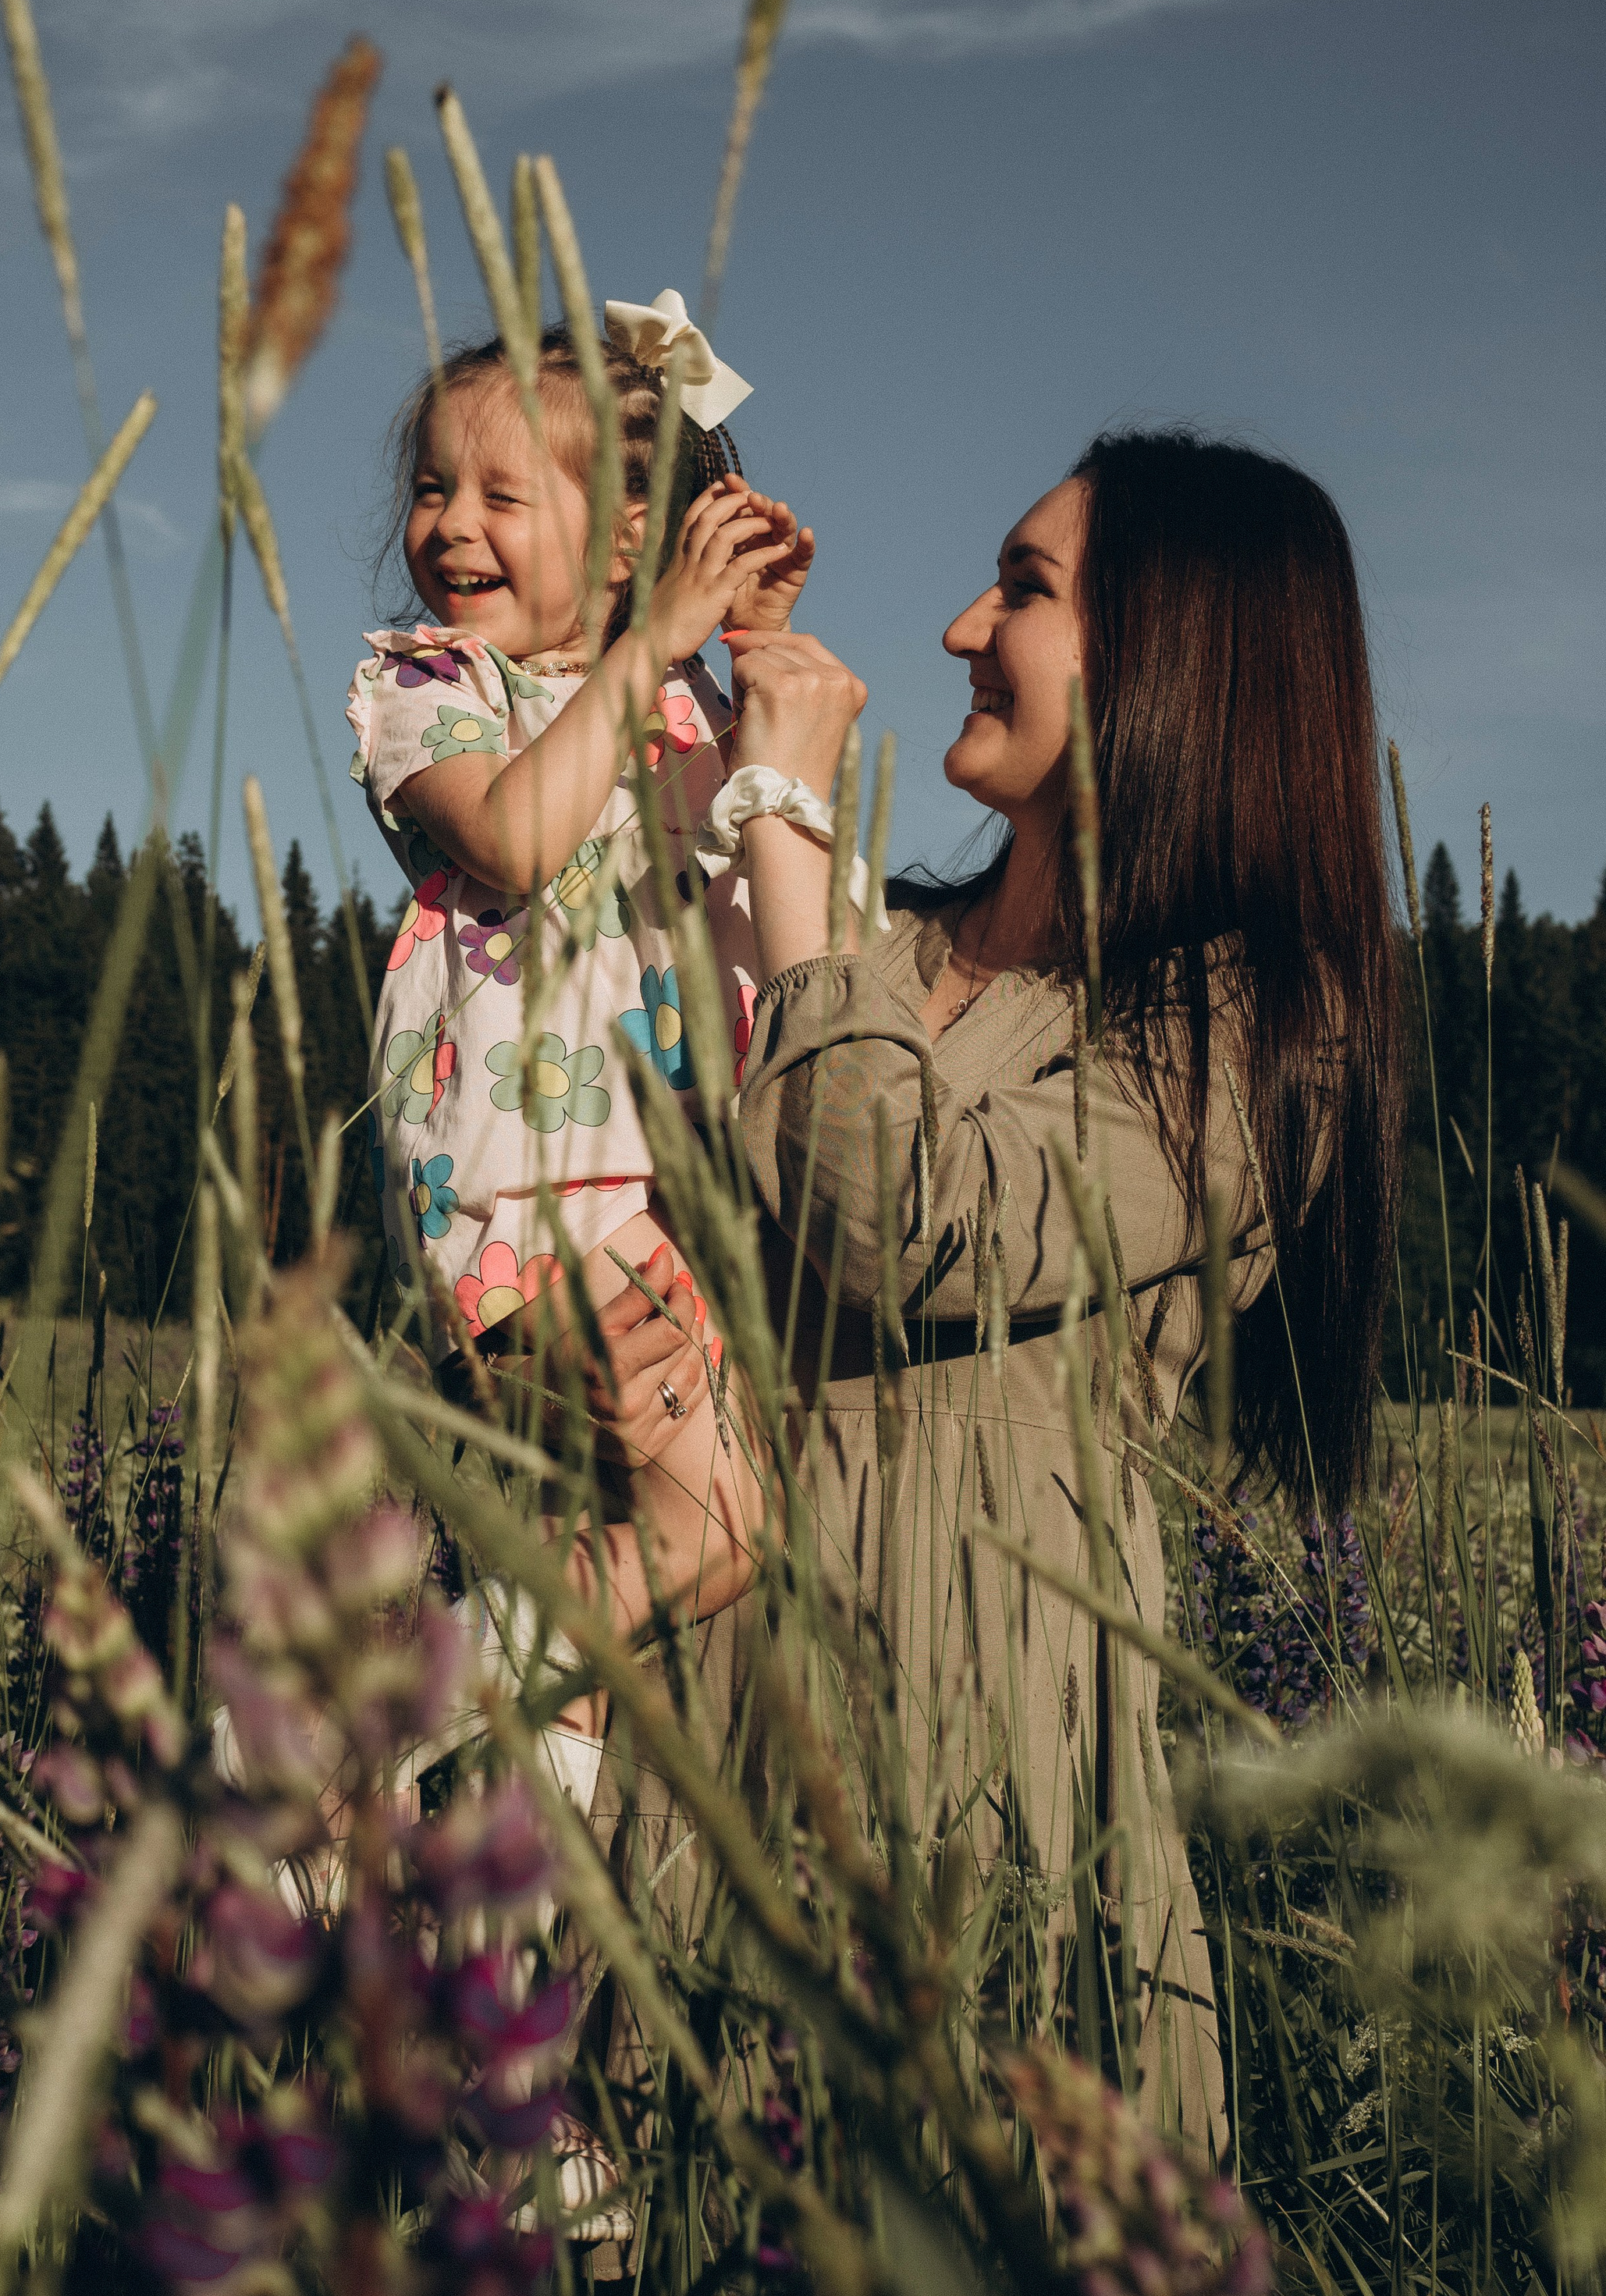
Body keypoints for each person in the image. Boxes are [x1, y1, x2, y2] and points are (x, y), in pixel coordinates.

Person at [579, 430, 1403, 2148]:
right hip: (704, 1722)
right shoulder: (866, 944)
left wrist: (782, 822)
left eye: (1023, 589)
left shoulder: (1250, 1028)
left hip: (974, 1744)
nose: (960, 626)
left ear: (1178, 655)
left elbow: (903, 1214)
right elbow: (611, 1159)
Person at [346, 301, 830, 1795]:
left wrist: (748, 635)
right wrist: (660, 644)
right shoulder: (430, 688)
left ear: (627, 541)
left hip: (668, 1190)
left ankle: (516, 1869)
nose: (451, 525)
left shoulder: (677, 700)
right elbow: (515, 833)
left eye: (503, 494)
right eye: (434, 487)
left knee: (615, 1546)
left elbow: (784, 840)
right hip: (543, 1190)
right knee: (718, 1527)